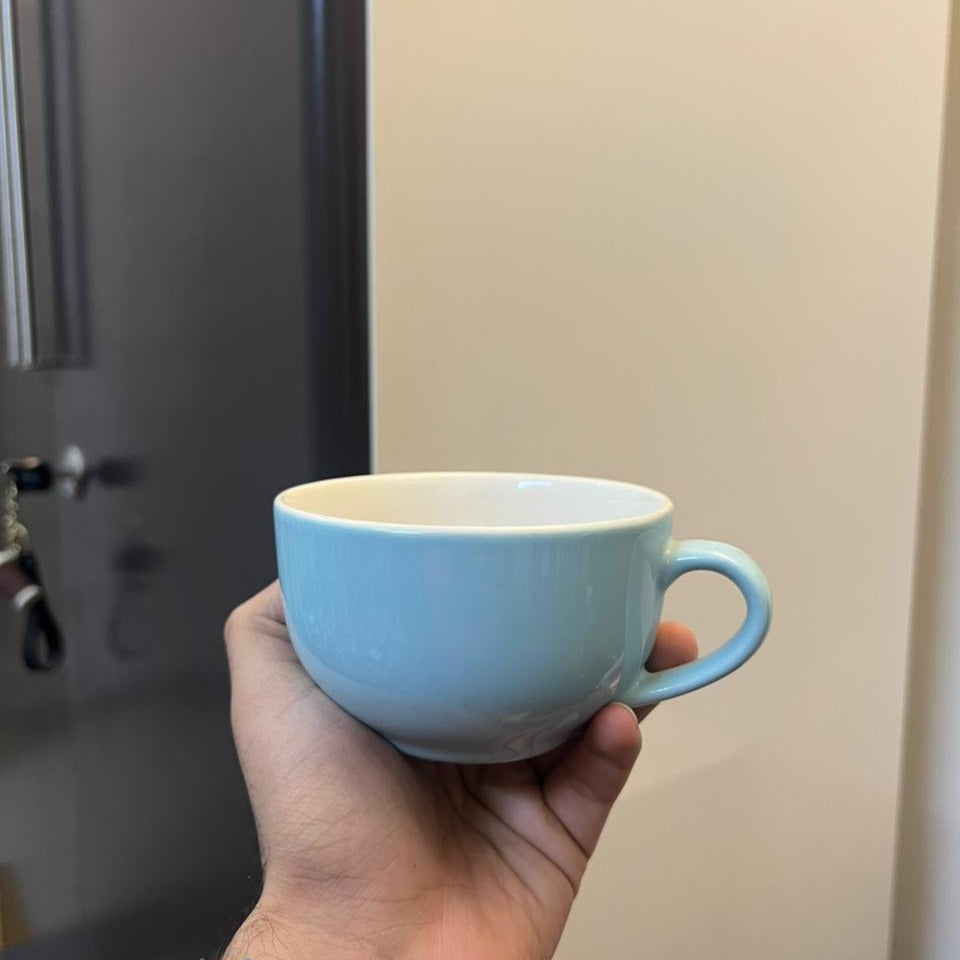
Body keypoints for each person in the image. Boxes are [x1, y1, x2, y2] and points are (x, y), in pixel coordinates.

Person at [222, 583, 697, 960]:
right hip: (506, 827)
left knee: (655, 670)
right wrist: (334, 923)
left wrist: (331, 932)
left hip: (519, 818)